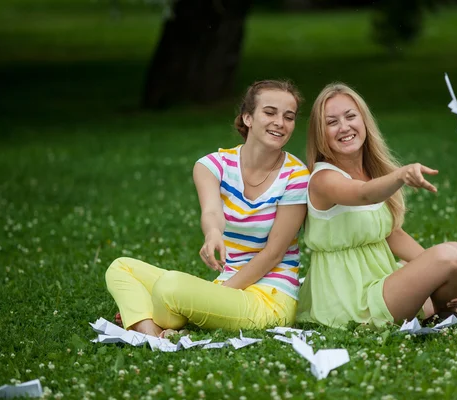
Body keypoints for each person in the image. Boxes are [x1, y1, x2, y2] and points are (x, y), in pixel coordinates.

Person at [106, 80, 310, 337]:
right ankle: (153, 332)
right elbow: (212, 211)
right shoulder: (213, 165)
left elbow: (273, 253)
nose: (280, 122)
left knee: (170, 288)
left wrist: (216, 295)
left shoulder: (296, 175)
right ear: (247, 117)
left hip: (270, 299)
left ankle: (148, 315)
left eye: (288, 117)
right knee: (121, 267)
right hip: (228, 286)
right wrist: (213, 233)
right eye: (270, 112)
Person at [296, 83, 457, 328]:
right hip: (349, 301)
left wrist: (446, 271)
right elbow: (363, 195)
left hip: (380, 278)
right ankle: (445, 315)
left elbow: (392, 234)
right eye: (332, 122)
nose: (344, 127)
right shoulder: (323, 179)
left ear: (364, 121)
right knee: (448, 258)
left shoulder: (370, 172)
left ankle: (443, 313)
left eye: (351, 116)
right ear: (320, 133)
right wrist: (399, 175)